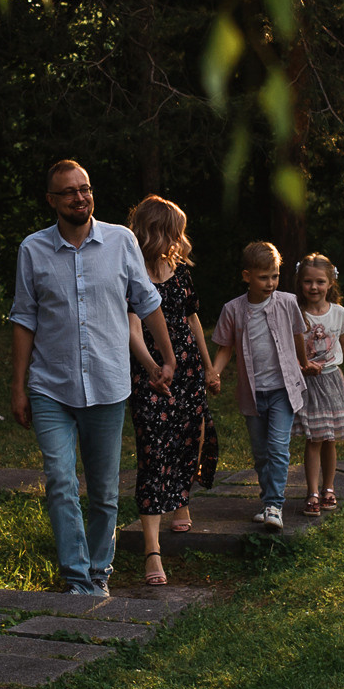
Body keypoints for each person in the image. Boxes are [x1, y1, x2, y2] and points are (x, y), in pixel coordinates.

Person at [10, 160, 175, 596]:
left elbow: (147, 301)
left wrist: (167, 359)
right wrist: (18, 385)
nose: (80, 197)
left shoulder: (121, 242)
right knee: (61, 481)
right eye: (68, 192)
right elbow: (24, 319)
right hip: (51, 386)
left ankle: (99, 571)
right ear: (52, 201)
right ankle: (77, 578)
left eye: (85, 189)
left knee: (103, 491)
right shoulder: (33, 249)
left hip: (107, 384)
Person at [123, 196, 213, 587]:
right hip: (150, 371)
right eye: (175, 230)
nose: (180, 238)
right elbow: (131, 330)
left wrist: (208, 366)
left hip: (188, 367)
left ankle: (181, 500)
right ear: (158, 229)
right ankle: (152, 551)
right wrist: (154, 367)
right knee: (153, 450)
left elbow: (192, 318)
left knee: (188, 436)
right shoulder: (129, 271)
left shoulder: (178, 270)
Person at [207, 241, 309, 532]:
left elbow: (298, 334)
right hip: (253, 393)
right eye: (264, 277)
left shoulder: (287, 303)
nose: (271, 283)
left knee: (278, 447)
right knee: (261, 453)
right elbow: (225, 347)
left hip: (283, 390)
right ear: (247, 276)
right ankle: (268, 502)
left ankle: (275, 505)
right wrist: (214, 372)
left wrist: (303, 363)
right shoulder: (233, 310)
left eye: (275, 276)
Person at [294, 253, 344, 516]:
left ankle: (329, 488)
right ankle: (312, 491)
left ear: (331, 283)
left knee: (330, 438)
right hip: (309, 383)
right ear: (300, 283)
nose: (314, 287)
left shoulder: (338, 314)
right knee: (314, 438)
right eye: (308, 282)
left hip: (332, 380)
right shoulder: (297, 314)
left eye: (320, 282)